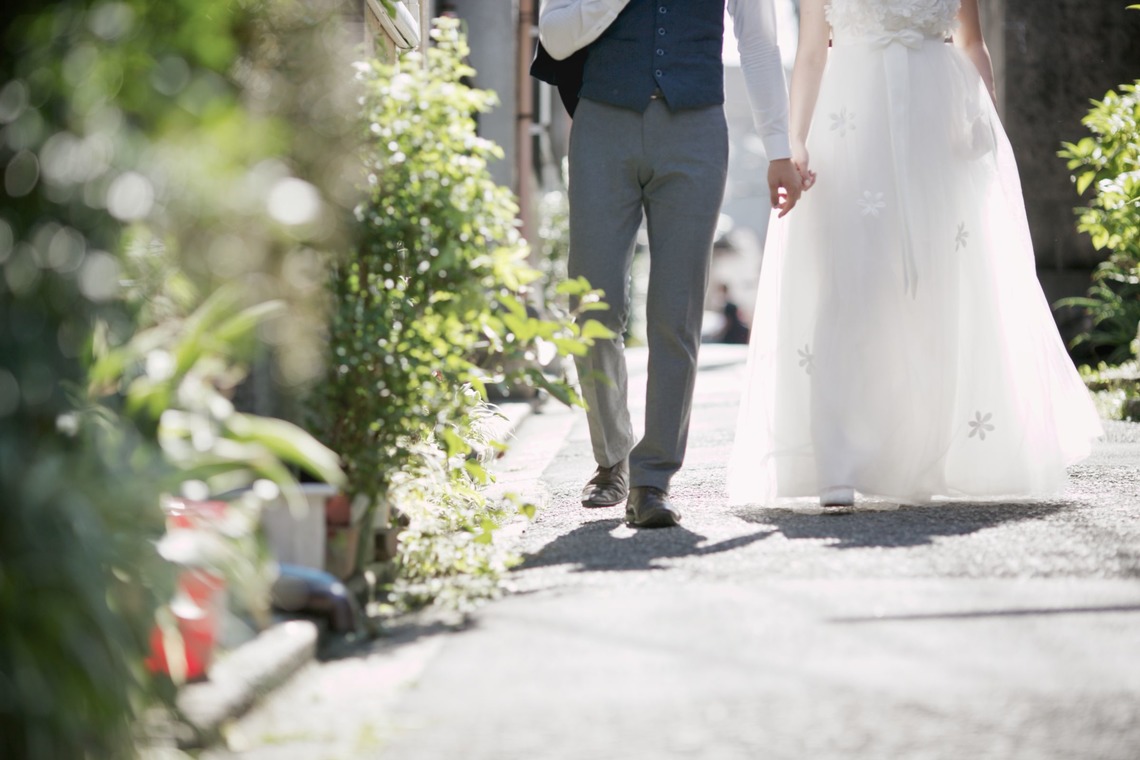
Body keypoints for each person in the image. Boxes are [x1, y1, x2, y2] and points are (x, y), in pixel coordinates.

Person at [727, 0, 1103, 508]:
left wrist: (981, 122)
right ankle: (837, 460)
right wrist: (795, 140)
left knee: (940, 285)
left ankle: (927, 454)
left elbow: (972, 42)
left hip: (937, 121)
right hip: (849, 119)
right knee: (849, 281)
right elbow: (812, 53)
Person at [537, 0, 802, 528]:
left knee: (676, 311)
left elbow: (758, 41)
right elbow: (555, 36)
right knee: (592, 307)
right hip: (602, 126)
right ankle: (612, 456)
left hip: (696, 130)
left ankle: (651, 479)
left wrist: (779, 147)